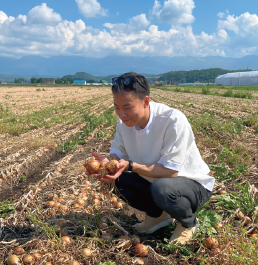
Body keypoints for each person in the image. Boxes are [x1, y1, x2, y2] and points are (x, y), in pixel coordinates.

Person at [88, 72, 214, 244]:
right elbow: (117, 153)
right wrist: (107, 165)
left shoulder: (172, 121)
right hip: (155, 182)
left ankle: (188, 223)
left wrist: (130, 165)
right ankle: (159, 216)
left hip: (190, 185)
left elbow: (169, 172)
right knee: (118, 179)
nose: (121, 114)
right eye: (116, 107)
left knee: (163, 188)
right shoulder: (124, 123)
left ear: (146, 101)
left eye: (127, 107)